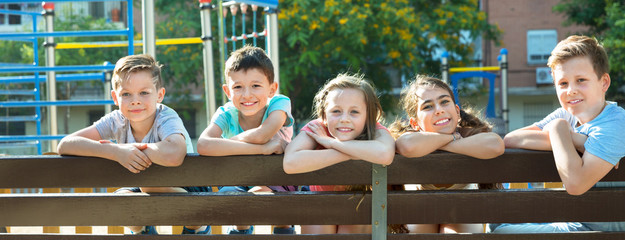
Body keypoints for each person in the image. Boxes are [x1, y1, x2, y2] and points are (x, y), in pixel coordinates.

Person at [492, 35, 625, 233]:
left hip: (605, 233)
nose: (571, 91)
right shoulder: (568, 114)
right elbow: (512, 139)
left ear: (604, 82)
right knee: (501, 225)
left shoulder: (616, 125)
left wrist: (558, 130)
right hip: (578, 223)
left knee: (499, 231)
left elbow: (575, 184)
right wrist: (577, 140)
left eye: (581, 80)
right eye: (563, 83)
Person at [57, 54, 211, 235]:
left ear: (159, 95)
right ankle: (142, 230)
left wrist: (132, 150)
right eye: (126, 94)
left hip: (190, 184)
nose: (135, 100)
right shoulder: (116, 120)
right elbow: (65, 145)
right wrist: (114, 151)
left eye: (144, 93)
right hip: (142, 184)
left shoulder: (166, 117)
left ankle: (196, 224)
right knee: (121, 200)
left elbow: (175, 153)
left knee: (149, 186)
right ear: (115, 97)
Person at [197, 45, 295, 235]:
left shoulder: (279, 104)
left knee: (266, 197)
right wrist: (262, 149)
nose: (247, 94)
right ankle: (241, 231)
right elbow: (203, 144)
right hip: (240, 178)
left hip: (277, 178)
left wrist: (227, 144)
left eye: (256, 86)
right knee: (231, 196)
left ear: (272, 88)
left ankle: (284, 230)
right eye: (238, 87)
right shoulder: (226, 113)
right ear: (227, 91)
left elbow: (262, 135)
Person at [390, 75, 504, 233]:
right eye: (428, 106)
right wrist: (451, 138)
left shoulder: (468, 134)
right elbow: (406, 145)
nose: (439, 110)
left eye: (444, 101)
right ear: (415, 123)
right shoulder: (414, 139)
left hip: (461, 210)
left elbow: (496, 145)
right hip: (423, 210)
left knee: (454, 231)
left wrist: (446, 143)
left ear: (457, 112)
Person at [283, 73, 396, 234]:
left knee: (355, 221)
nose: (344, 119)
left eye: (354, 112)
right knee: (319, 221)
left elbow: (385, 154)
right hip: (322, 207)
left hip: (359, 206)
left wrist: (332, 143)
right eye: (336, 111)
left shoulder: (375, 129)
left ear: (369, 116)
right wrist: (352, 152)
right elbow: (290, 163)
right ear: (324, 115)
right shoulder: (317, 128)